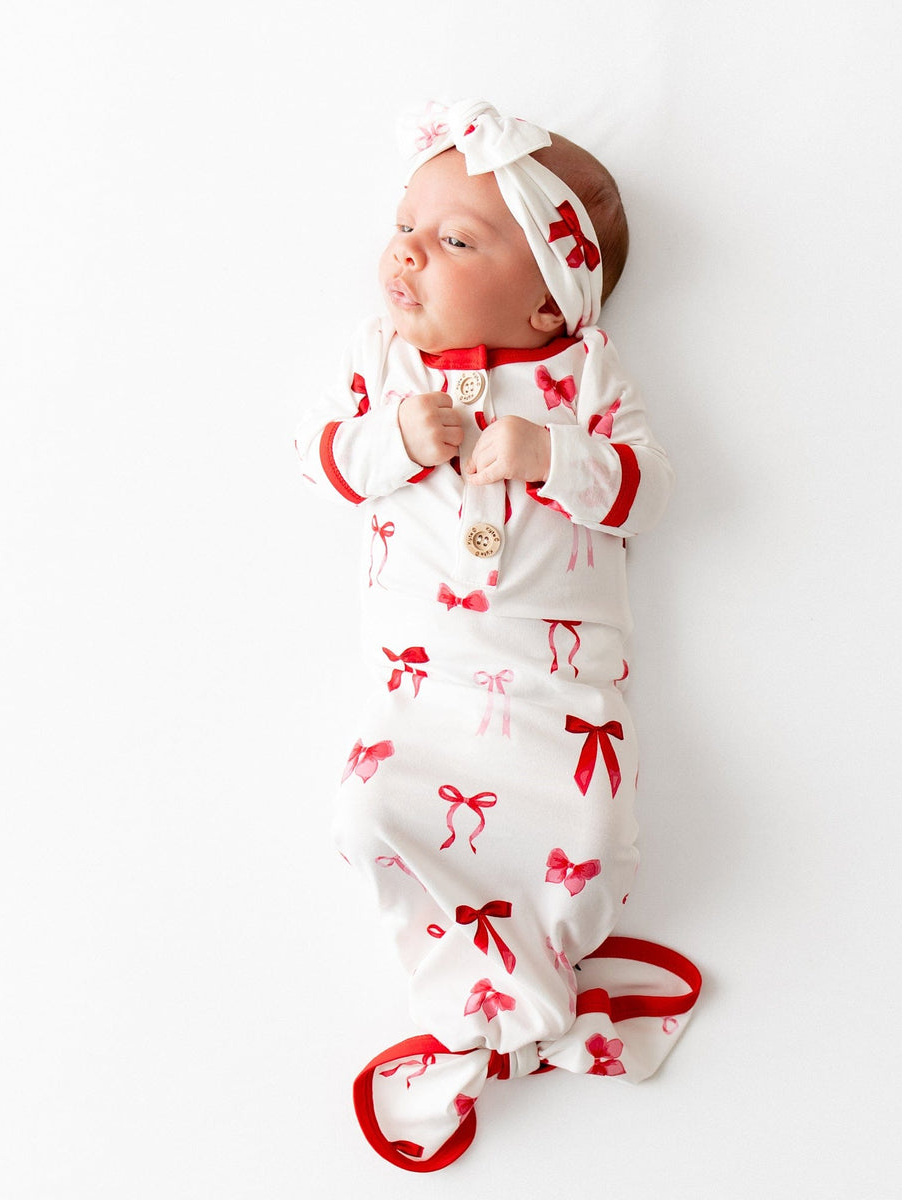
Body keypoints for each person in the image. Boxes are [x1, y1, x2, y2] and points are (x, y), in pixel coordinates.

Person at [294, 98, 701, 1172]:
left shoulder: (584, 378)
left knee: (596, 830)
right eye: (407, 223)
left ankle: (545, 986)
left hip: (557, 682)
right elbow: (317, 457)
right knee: (369, 809)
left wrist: (553, 455)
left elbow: (647, 491)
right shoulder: (382, 362)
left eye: (456, 240)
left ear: (544, 306)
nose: (408, 250)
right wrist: (388, 441)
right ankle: (477, 1014)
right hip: (422, 676)